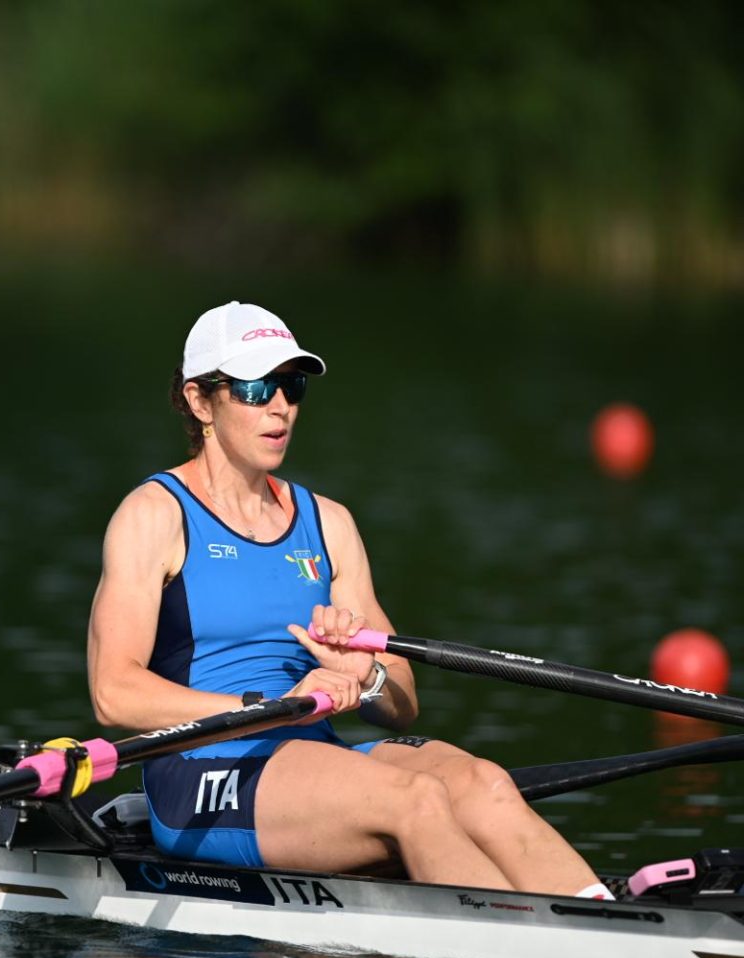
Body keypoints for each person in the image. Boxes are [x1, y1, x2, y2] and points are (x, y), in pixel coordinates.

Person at [85, 300, 614, 897]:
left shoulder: (328, 524)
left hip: (313, 755)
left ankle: (607, 929)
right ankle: (510, 946)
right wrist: (270, 704)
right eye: (256, 388)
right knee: (416, 800)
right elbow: (113, 693)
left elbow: (402, 700)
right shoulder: (154, 516)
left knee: (485, 784)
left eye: (292, 386)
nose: (280, 406)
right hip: (201, 773)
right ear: (201, 401)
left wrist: (365, 677)